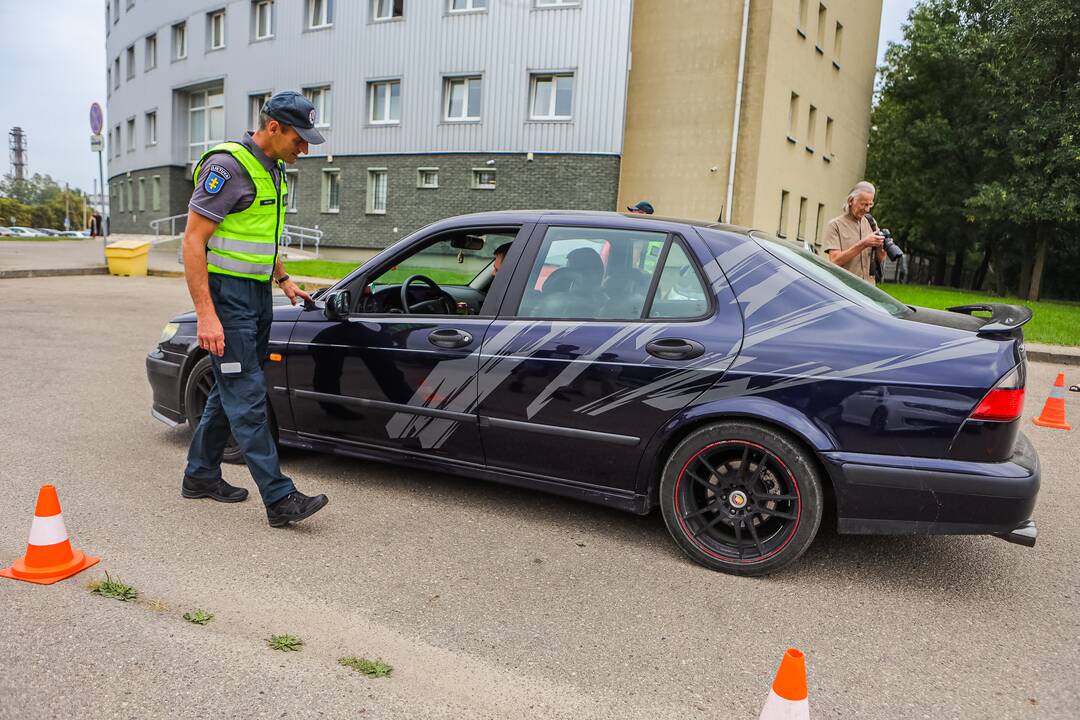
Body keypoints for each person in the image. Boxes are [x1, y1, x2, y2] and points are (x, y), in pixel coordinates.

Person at [181, 90, 328, 528]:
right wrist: (207, 315)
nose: (304, 148)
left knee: (231, 391)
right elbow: (192, 242)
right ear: (273, 127)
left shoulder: (273, 169)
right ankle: (280, 499)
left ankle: (200, 475)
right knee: (246, 394)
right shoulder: (228, 168)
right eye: (299, 139)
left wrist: (282, 278)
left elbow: (261, 237)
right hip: (227, 299)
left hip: (257, 295)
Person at [822, 181, 887, 284]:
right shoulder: (835, 225)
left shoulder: (871, 222)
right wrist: (863, 244)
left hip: (868, 288)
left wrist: (882, 249)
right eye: (863, 205)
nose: (867, 210)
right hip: (846, 288)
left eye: (870, 205)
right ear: (851, 201)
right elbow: (835, 260)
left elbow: (880, 259)